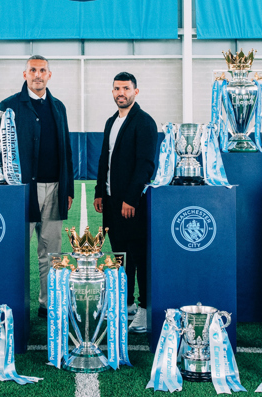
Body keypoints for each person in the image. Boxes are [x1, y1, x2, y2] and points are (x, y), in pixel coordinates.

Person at [0, 55, 75, 318]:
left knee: (51, 252)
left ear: (49, 75)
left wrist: (68, 189)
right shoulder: (8, 107)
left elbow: (67, 150)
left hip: (55, 188)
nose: (38, 75)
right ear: (25, 74)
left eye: (43, 70)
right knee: (17, 250)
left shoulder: (59, 107)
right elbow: (2, 151)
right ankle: (14, 304)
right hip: (22, 191)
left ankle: (48, 303)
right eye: (33, 70)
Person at [93, 72, 158, 332]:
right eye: (117, 88)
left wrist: (131, 198)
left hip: (132, 205)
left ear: (136, 91)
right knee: (120, 258)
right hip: (110, 202)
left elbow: (146, 165)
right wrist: (100, 191)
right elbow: (103, 160)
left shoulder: (144, 122)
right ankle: (127, 304)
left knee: (140, 258)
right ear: (112, 92)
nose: (121, 93)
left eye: (126, 88)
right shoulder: (111, 121)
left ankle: (144, 310)